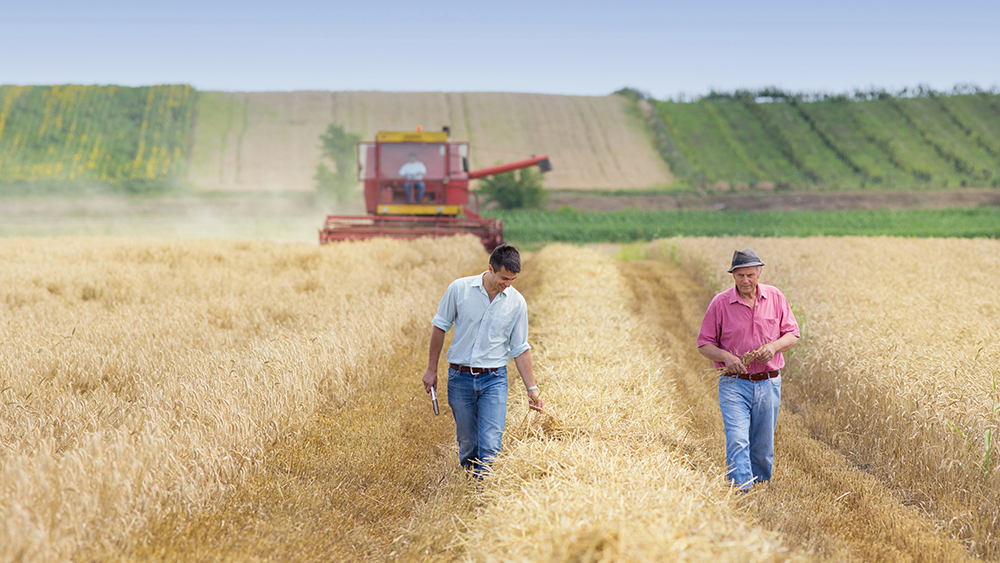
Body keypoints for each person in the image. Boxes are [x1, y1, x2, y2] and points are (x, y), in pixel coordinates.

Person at [422, 244, 544, 476]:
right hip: (460, 379)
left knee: (490, 446)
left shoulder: (517, 302)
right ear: (490, 268)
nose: (508, 284)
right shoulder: (459, 289)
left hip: (494, 380)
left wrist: (532, 389)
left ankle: (483, 493)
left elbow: (520, 349)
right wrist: (431, 370)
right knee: (468, 444)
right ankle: (470, 484)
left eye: (513, 279)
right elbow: (440, 327)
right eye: (504, 278)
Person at [697, 248, 799, 491]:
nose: (745, 281)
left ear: (759, 273)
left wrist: (773, 347)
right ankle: (741, 489)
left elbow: (793, 334)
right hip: (734, 383)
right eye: (740, 275)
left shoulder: (775, 298)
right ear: (733, 275)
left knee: (763, 445)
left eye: (750, 275)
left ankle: (761, 486)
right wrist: (726, 357)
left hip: (768, 381)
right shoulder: (720, 303)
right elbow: (704, 344)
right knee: (738, 440)